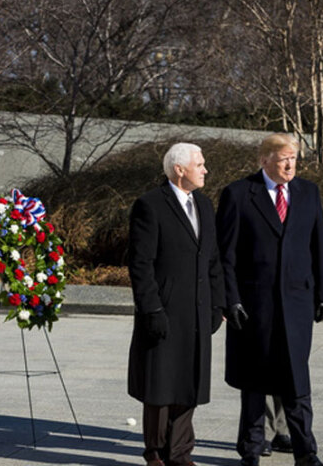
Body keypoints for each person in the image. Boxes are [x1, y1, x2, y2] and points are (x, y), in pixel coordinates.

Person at [216, 133, 323, 466]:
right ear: (264, 159)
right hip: (254, 307)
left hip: (297, 303)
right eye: (283, 158)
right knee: (254, 382)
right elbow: (226, 255)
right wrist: (231, 299)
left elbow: (318, 247)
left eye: (294, 158)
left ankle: (306, 453)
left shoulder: (308, 192)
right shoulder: (238, 195)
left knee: (297, 380)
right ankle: (251, 451)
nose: (290, 164)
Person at [127, 143, 225, 466]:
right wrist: (151, 309)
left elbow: (213, 259)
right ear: (179, 169)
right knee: (160, 384)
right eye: (200, 164)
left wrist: (217, 304)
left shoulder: (205, 206)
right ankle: (155, 453)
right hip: (164, 311)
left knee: (189, 382)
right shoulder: (150, 205)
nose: (205, 169)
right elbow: (141, 264)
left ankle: (180, 452)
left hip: (197, 311)